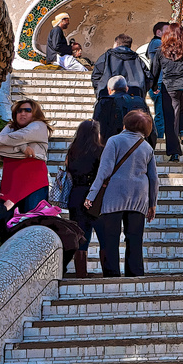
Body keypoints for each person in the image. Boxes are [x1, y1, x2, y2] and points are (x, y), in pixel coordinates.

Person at [85, 110, 159, 277]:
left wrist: (92, 194)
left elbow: (104, 170)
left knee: (111, 238)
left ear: (125, 124)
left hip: (114, 196)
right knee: (135, 238)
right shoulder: (147, 147)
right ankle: (135, 273)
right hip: (138, 198)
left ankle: (112, 274)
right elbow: (154, 179)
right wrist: (152, 203)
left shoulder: (114, 141)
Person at [0, 99, 51, 213]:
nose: (22, 113)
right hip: (10, 183)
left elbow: (21, 136)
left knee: (32, 221)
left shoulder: (39, 125)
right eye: (19, 111)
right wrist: (23, 148)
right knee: (5, 222)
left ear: (35, 113)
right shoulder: (10, 127)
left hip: (34, 183)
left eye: (27, 110)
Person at [150, 22, 183, 162]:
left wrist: (153, 86)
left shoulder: (161, 51)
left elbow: (154, 71)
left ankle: (174, 153)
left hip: (169, 88)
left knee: (171, 120)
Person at [66, 119, 104, 279]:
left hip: (75, 194)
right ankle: (108, 270)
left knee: (80, 235)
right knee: (103, 234)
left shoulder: (72, 151)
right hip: (95, 196)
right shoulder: (100, 150)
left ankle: (81, 272)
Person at [94, 76, 156, 147]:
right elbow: (151, 128)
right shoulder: (139, 102)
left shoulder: (103, 102)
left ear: (109, 90)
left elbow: (95, 129)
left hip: (110, 147)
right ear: (127, 89)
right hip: (136, 147)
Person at [92, 34, 149, 99]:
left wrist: (101, 90)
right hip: (134, 97)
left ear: (116, 44)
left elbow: (96, 76)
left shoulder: (106, 57)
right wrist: (141, 91)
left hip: (108, 96)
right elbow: (148, 78)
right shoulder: (138, 59)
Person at [145, 22, 169, 141]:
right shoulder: (157, 43)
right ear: (158, 32)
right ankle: (158, 138)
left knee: (162, 113)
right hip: (159, 83)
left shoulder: (154, 44)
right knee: (161, 114)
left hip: (158, 82)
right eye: (167, 31)